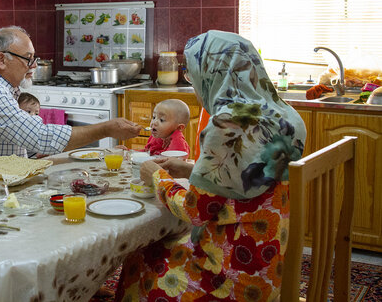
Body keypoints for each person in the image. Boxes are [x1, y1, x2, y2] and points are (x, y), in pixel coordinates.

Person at [114, 30, 307, 302]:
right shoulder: (285, 115)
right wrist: (191, 170)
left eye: (194, 75)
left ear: (213, 73)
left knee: (140, 256)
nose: (194, 84)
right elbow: (248, 178)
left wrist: (156, 176)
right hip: (270, 264)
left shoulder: (227, 126)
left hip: (230, 278)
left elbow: (196, 210)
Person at [0, 26, 142, 165]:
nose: (34, 66)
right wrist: (107, 129)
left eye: (34, 59)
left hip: (3, 178)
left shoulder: (3, 86)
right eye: (28, 59)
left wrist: (99, 152)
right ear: (2, 60)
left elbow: (25, 141)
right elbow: (40, 136)